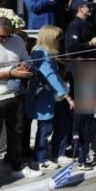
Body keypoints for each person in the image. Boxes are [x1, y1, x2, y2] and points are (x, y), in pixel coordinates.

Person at [0, 17, 42, 191]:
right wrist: (11, 73)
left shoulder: (17, 40)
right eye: (1, 37)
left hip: (16, 94)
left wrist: (25, 66)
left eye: (7, 36)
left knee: (17, 132)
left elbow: (26, 58)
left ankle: (16, 167)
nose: (5, 40)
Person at [26, 25, 75, 170]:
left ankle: (58, 153)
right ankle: (41, 159)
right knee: (45, 128)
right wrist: (67, 96)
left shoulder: (48, 52)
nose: (59, 42)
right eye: (57, 39)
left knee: (62, 124)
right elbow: (50, 76)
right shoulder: (39, 53)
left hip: (55, 95)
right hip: (45, 96)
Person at [63, 1, 96, 164]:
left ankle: (86, 145)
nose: (90, 9)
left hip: (89, 67)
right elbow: (72, 48)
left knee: (89, 110)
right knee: (82, 112)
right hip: (80, 69)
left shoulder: (88, 23)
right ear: (80, 8)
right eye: (87, 6)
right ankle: (79, 148)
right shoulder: (74, 26)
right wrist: (90, 44)